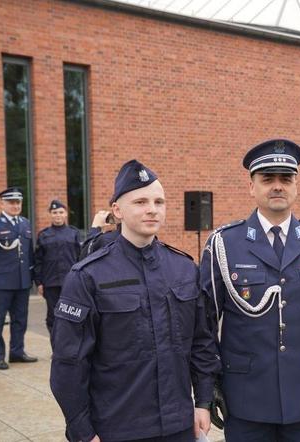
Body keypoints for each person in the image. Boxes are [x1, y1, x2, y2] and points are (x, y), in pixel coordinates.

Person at [50, 160, 216, 442]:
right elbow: (69, 363)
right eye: (140, 201)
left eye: (159, 201)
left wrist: (203, 401)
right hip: (117, 427)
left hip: (179, 424)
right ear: (117, 210)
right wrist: (82, 430)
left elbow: (202, 342)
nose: (152, 209)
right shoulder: (88, 276)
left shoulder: (185, 268)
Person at [200, 139, 300, 442]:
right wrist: (207, 384)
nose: (277, 186)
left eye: (285, 179)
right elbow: (204, 323)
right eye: (267, 179)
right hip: (245, 397)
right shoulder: (224, 244)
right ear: (251, 186)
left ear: (296, 186)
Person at [0, 187, 37, 370]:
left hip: (22, 281)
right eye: (11, 202)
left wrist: (32, 278)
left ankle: (17, 352)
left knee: (21, 320)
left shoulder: (25, 223)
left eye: (18, 202)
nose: (16, 205)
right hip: (1, 284)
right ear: (2, 203)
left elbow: (30, 254)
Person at [34, 199, 81, 341]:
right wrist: (39, 283)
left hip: (70, 282)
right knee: (53, 317)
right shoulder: (43, 235)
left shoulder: (73, 233)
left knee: (72, 314)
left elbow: (80, 258)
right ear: (50, 215)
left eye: (61, 212)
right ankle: (57, 347)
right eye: (54, 213)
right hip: (51, 283)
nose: (58, 215)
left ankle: (70, 345)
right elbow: (38, 261)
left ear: (66, 214)